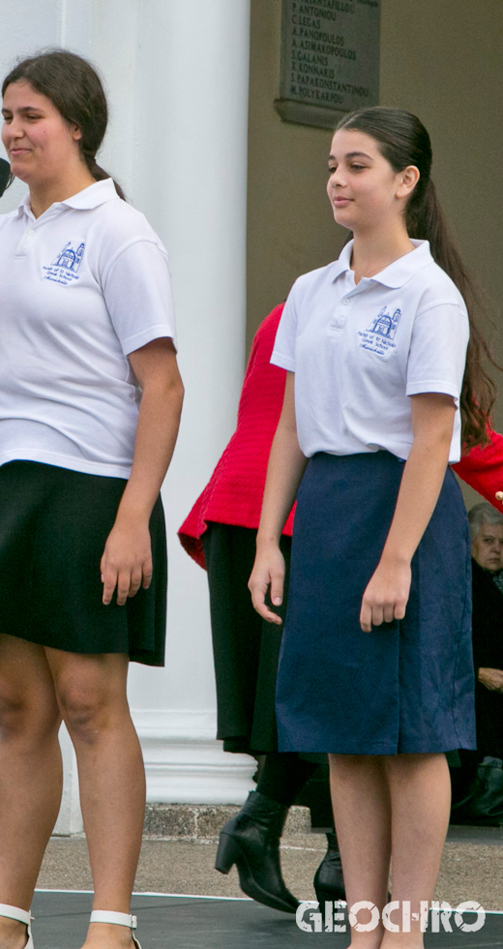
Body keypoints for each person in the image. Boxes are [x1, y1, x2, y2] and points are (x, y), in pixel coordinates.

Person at [0, 50, 184, 949]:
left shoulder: (117, 231)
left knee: (88, 700)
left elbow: (163, 384)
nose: (13, 132)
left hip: (90, 484)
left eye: (30, 115)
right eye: (6, 116)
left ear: (76, 124)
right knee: (19, 707)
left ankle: (112, 922)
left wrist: (133, 516)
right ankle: (8, 917)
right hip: (1, 486)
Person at [249, 107, 496, 949]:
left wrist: (396, 563)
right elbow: (289, 424)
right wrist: (266, 540)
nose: (337, 180)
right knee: (341, 733)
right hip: (326, 513)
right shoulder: (310, 292)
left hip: (403, 516)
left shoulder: (431, 294)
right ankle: (363, 928)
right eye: (331, 165)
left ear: (405, 181)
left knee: (413, 732)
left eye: (356, 164)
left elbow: (434, 437)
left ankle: (408, 929)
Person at [178, 305, 341, 911]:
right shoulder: (381, 304)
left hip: (244, 504)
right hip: (294, 512)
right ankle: (329, 858)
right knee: (328, 693)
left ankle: (287, 838)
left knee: (295, 700)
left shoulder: (289, 308)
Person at [467, 503, 503, 759]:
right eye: (488, 540)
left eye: (502, 542)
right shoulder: (461, 583)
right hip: (474, 700)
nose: (497, 549)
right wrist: (477, 671)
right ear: (470, 542)